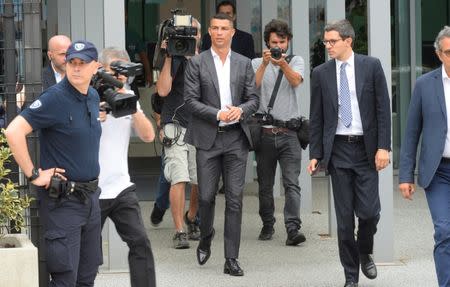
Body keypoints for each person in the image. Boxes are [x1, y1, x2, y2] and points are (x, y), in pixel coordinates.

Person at [5, 40, 102, 286]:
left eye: (82, 63)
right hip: (63, 203)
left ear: (95, 67)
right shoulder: (55, 98)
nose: (76, 68)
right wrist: (34, 174)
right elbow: (13, 131)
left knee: (87, 277)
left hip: (90, 199)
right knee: (65, 278)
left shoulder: (92, 96)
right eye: (72, 63)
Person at [307, 20, 391, 287]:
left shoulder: (371, 66)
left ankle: (365, 249)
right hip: (339, 150)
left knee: (368, 213)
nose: (328, 46)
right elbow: (317, 116)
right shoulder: (320, 73)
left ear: (348, 41)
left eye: (332, 41)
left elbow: (382, 109)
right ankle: (351, 278)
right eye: (326, 42)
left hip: (366, 150)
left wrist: (383, 147)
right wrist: (315, 154)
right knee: (344, 223)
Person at [184, 13, 259, 276]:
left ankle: (231, 259)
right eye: (214, 28)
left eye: (224, 28)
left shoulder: (244, 63)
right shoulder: (197, 62)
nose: (219, 32)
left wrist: (240, 110)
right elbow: (191, 101)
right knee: (205, 197)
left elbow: (254, 100)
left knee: (235, 200)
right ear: (209, 32)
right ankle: (206, 236)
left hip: (236, 138)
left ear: (232, 32)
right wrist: (217, 113)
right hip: (208, 137)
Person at [97, 47, 156, 287]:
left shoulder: (128, 94)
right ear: (102, 70)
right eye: (114, 70)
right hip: (92, 188)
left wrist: (132, 107)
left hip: (121, 187)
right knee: (87, 254)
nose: (119, 76)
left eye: (123, 70)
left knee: (140, 243)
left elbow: (149, 136)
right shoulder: (89, 94)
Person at [398, 26, 450, 287]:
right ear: (439, 54)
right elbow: (411, 133)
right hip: (438, 171)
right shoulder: (424, 85)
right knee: (444, 230)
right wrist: (405, 175)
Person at [251, 19, 305, 245]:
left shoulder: (296, 61)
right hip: (265, 132)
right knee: (265, 185)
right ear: (267, 43)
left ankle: (293, 229)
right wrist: (265, 64)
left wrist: (282, 63)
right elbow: (251, 88)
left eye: (282, 42)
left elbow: (296, 82)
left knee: (292, 183)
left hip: (290, 133)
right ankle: (267, 224)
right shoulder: (255, 62)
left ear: (288, 42)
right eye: (274, 42)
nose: (278, 47)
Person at [154, 18, 202, 249]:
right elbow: (162, 90)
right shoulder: (173, 58)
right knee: (179, 177)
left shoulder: (207, 59)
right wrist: (170, 55)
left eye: (193, 33)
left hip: (201, 127)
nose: (189, 38)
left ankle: (191, 216)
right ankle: (179, 231)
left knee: (200, 181)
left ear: (200, 35)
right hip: (175, 124)